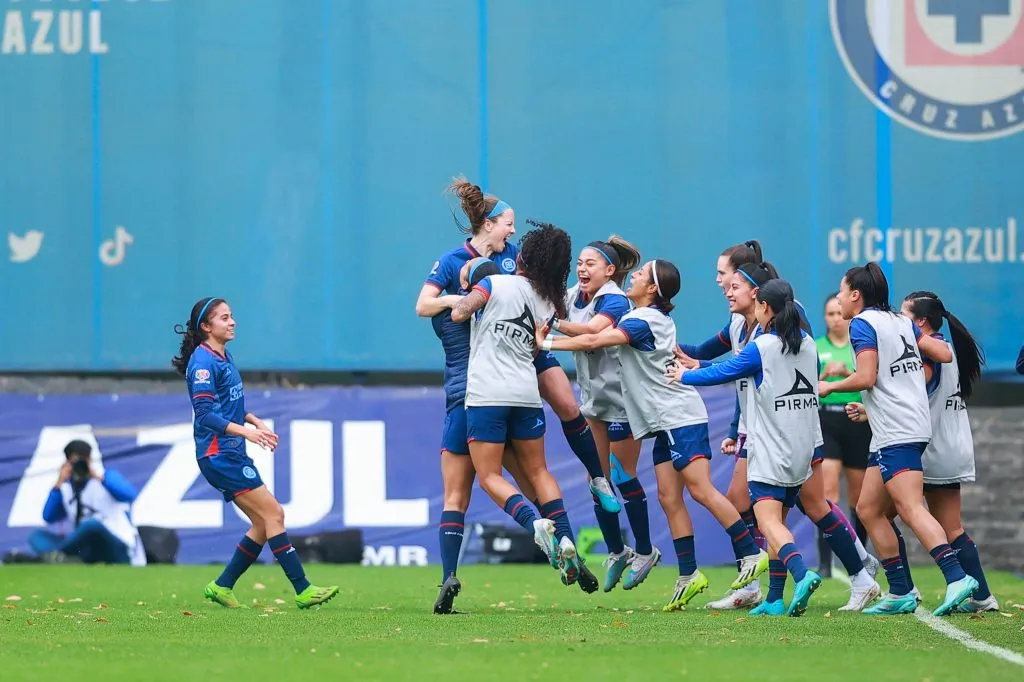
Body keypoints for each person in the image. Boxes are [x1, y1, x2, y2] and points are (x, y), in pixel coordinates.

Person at [539, 259, 769, 612]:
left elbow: (595, 340)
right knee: (668, 498)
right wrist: (557, 328)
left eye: (641, 274)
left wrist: (547, 341)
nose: (633, 276)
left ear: (652, 289)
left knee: (701, 491)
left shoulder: (643, 320)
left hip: (680, 417)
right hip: (664, 422)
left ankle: (751, 553)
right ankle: (689, 575)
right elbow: (594, 334)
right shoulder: (644, 317)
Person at [818, 264, 978, 616]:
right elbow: (944, 353)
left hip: (897, 429)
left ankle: (956, 577)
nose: (839, 298)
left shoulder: (862, 323)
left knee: (910, 508)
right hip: (903, 426)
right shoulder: (899, 321)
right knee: (868, 509)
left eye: (842, 291)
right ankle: (901, 590)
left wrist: (829, 385)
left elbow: (866, 376)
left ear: (856, 294)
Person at [172, 297, 338, 610]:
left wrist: (251, 419)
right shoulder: (203, 364)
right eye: (224, 318)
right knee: (274, 514)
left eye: (231, 316)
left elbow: (227, 403)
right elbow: (205, 414)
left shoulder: (223, 355)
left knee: (263, 523)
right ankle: (303, 589)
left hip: (230, 451)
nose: (232, 322)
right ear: (206, 326)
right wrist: (247, 432)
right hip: (218, 454)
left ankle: (222, 586)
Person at [670, 279, 823, 616]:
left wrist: (684, 377)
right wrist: (699, 367)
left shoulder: (762, 345)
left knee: (767, 523)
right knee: (779, 522)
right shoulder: (809, 343)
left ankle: (802, 574)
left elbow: (727, 371)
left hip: (771, 449)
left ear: (764, 307)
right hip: (802, 448)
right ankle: (774, 599)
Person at [451, 223, 586, 586]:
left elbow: (459, 313)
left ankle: (535, 524)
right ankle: (565, 538)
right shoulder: (550, 302)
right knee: (539, 472)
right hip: (527, 395)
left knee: (489, 477)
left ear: (523, 256)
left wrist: (468, 290)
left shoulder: (496, 283)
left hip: (487, 394)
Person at [848, 291, 996, 613]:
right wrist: (870, 412)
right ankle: (981, 596)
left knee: (887, 511)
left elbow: (911, 395)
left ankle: (911, 587)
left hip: (925, 447)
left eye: (905, 315)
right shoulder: (944, 347)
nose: (899, 320)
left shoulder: (925, 354)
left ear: (921, 322)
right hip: (949, 445)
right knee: (889, 513)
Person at [548, 237, 659, 592]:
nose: (582, 269)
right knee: (597, 479)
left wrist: (550, 330)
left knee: (623, 476)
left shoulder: (614, 299)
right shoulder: (571, 296)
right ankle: (617, 551)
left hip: (623, 400)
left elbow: (592, 332)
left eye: (590, 264)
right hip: (595, 399)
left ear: (609, 270)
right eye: (579, 263)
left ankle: (646, 551)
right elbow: (547, 309)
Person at [816, 292, 873, 564]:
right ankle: (825, 562)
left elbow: (871, 379)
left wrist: (847, 372)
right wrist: (823, 375)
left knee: (858, 497)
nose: (836, 319)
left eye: (839, 313)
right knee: (828, 491)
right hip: (827, 420)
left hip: (857, 420)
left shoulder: (861, 346)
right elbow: (804, 387)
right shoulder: (816, 347)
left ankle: (859, 558)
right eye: (830, 314)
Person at [29, 439, 146, 566]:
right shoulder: (66, 488)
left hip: (116, 543)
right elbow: (48, 516)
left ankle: (58, 555)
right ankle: (63, 557)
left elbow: (129, 495)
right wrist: (59, 482)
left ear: (89, 460)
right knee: (36, 536)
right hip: (86, 547)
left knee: (91, 525)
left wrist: (98, 477)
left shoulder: (107, 477)